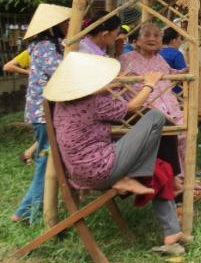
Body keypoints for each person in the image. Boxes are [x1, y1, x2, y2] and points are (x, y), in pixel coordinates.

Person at [44, 52, 191, 255]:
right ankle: (132, 176)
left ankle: (172, 233)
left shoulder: (62, 104)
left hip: (81, 171)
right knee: (156, 117)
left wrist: (109, 86)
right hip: (101, 169)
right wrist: (149, 83)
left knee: (159, 164)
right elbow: (132, 107)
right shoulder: (94, 103)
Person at [12, 3, 71, 223]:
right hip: (43, 113)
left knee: (45, 161)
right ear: (54, 26)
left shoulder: (50, 44)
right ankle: (26, 212)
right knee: (45, 163)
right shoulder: (45, 46)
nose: (68, 25)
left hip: (44, 113)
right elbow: (61, 72)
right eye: (65, 23)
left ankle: (28, 211)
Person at [119, 23, 185, 180]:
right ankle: (174, 178)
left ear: (162, 41)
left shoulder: (160, 59)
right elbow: (118, 83)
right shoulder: (125, 59)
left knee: (185, 134)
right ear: (137, 40)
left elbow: (171, 73)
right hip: (144, 110)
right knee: (172, 134)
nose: (152, 39)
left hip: (170, 107)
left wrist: (188, 71)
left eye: (156, 36)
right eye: (147, 35)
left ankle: (183, 176)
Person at [4, 49, 37, 165]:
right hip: (39, 95)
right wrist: (29, 72)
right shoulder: (31, 51)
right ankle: (29, 153)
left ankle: (28, 153)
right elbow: (8, 66)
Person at [160, 28, 188, 95]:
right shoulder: (176, 54)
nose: (181, 42)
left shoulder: (155, 52)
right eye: (180, 39)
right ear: (174, 41)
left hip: (156, 89)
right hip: (174, 90)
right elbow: (183, 71)